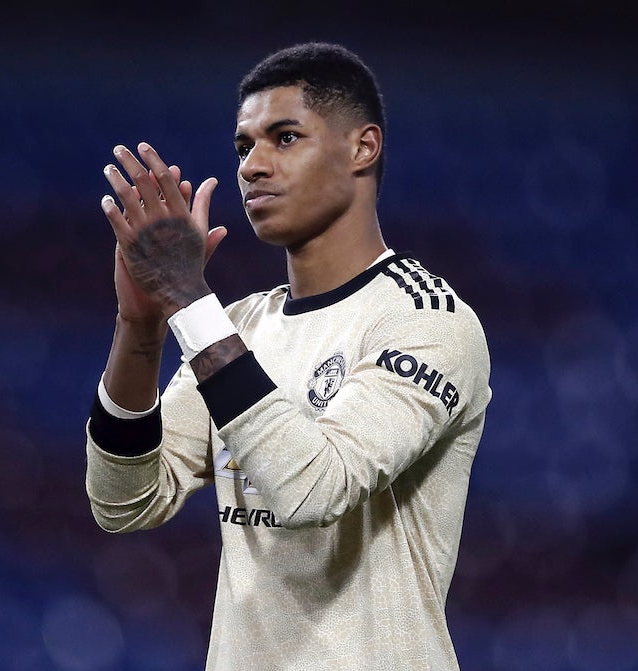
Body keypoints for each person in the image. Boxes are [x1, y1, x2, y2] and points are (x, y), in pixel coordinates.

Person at [85, 41, 491, 670]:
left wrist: (190, 301)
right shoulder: (241, 326)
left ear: (363, 147)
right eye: (244, 146)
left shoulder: (425, 320)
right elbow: (124, 501)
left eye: (284, 137)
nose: (252, 166)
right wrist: (142, 327)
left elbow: (312, 490)